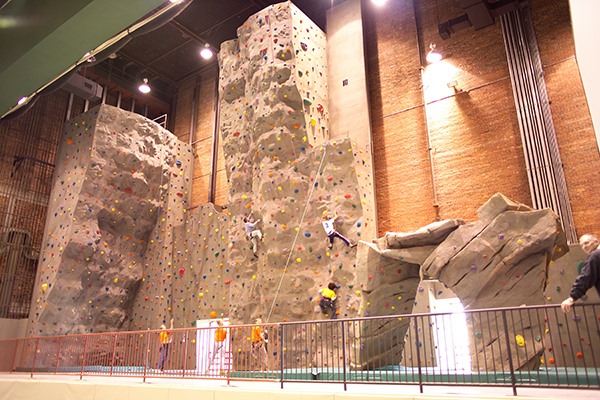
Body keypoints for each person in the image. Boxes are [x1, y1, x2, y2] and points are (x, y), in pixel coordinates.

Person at [561, 234, 600, 313]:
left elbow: (585, 277)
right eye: (581, 245)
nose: (584, 247)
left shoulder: (595, 256)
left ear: (596, 241)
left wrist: (572, 298)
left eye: (586, 243)